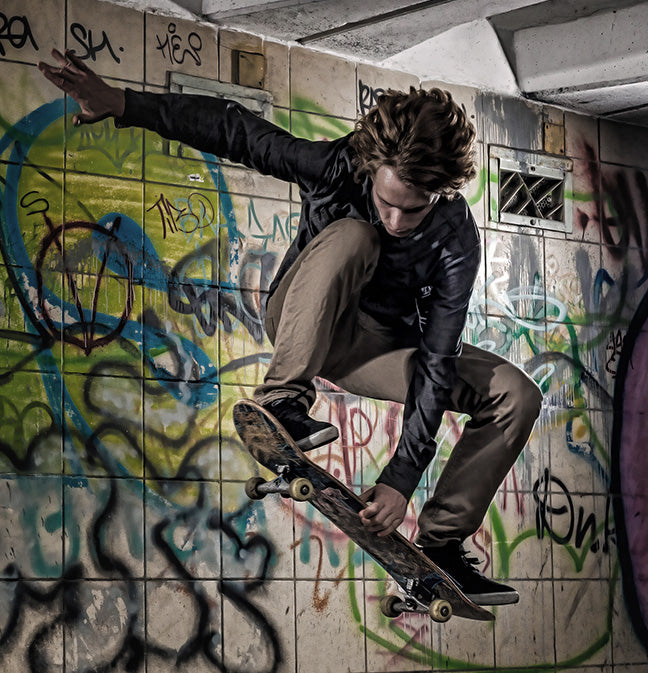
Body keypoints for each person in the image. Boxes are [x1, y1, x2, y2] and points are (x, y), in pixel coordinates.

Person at [39, 48, 542, 605]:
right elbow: (236, 130)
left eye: (414, 210)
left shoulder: (455, 241)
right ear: (372, 168)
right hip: (308, 318)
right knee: (357, 236)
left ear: (441, 193)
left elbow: (438, 359)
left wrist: (401, 479)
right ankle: (283, 400)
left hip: (380, 350)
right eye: (387, 201)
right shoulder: (334, 167)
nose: (397, 221)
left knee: (515, 393)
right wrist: (123, 103)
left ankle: (443, 548)